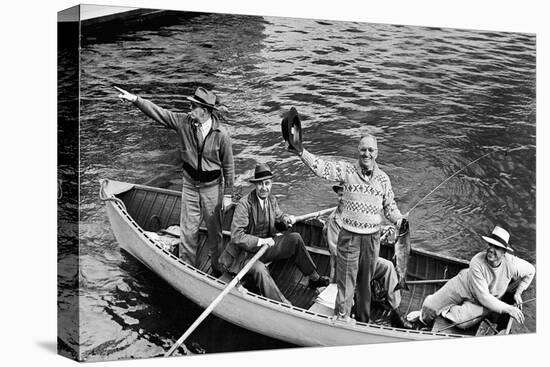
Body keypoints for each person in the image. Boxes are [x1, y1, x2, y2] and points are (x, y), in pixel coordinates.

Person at [116, 86, 234, 274]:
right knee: (188, 232)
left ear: (204, 111)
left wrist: (227, 194)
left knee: (215, 233)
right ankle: (187, 270)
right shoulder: (183, 122)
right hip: (190, 186)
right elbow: (159, 113)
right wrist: (136, 100)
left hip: (212, 188)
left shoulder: (222, 135)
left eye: (193, 106)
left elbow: (228, 167)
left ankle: (218, 269)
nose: (189, 109)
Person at [292, 134, 404, 323]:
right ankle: (342, 318)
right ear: (358, 151)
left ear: (376, 153)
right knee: (346, 281)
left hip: (371, 240)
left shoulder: (384, 180)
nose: (366, 154)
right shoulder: (347, 171)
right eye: (363, 149)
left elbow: (390, 208)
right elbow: (322, 168)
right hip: (349, 237)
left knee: (365, 284)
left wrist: (400, 220)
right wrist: (301, 151)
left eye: (370, 150)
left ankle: (363, 321)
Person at [219, 163, 330, 304]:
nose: (264, 188)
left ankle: (314, 279)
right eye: (260, 184)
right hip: (244, 255)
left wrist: (286, 219)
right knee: (260, 269)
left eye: (267, 183)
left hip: (265, 249)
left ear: (271, 184)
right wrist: (262, 241)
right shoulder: (244, 204)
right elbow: (236, 236)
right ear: (255, 185)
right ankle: (281, 303)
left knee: (295, 239)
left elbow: (279, 217)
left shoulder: (272, 200)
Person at [323, 184, 411, 328]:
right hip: (347, 264)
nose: (342, 198)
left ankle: (396, 312)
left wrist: (382, 230)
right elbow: (336, 252)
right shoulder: (334, 221)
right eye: (339, 195)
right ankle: (348, 315)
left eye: (344, 194)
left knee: (388, 266)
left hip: (364, 259)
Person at [419, 226, 535, 329]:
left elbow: (531, 271)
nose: (491, 249)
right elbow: (483, 296)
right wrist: (509, 309)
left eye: (497, 247)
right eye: (490, 244)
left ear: (504, 252)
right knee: (429, 308)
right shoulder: (477, 261)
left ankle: (445, 310)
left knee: (461, 323)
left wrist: (518, 292)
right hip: (464, 284)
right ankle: (435, 310)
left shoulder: (513, 264)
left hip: (484, 300)